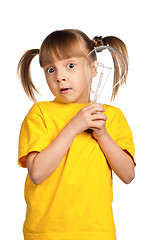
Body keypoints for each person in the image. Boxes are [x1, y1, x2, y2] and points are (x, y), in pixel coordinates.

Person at [17, 29, 135, 240]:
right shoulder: (40, 113)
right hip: (45, 232)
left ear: (93, 69)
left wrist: (103, 135)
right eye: (50, 70)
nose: (60, 76)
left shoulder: (112, 117)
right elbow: (37, 174)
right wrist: (73, 127)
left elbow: (128, 175)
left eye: (70, 66)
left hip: (97, 231)